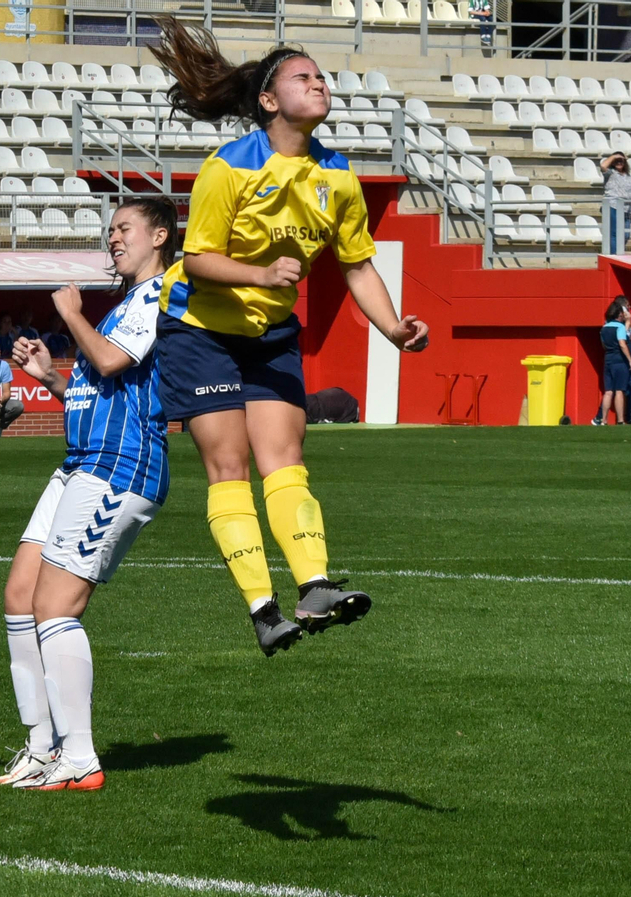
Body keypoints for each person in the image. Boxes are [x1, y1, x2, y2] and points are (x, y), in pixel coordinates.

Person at [150, 18, 429, 655]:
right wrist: (261, 272)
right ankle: (260, 607)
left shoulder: (339, 177)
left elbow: (358, 264)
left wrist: (393, 328)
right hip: (199, 329)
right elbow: (195, 260)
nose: (319, 84)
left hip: (270, 332)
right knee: (230, 466)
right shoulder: (227, 168)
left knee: (286, 460)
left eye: (323, 77)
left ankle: (315, 586)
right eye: (303, 77)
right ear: (270, 101)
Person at [0, 197, 176, 792]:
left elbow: (107, 356)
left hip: (121, 467)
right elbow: (100, 378)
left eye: (124, 228)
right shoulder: (128, 302)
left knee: (55, 606)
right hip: (80, 464)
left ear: (160, 235)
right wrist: (51, 374)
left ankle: (80, 756)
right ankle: (40, 746)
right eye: (111, 230)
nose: (114, 239)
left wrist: (72, 316)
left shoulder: (162, 294)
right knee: (20, 595)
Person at [594, 298, 631, 425]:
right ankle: (620, 420)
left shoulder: (604, 327)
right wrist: (630, 361)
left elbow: (603, 345)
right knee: (619, 390)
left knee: (608, 391)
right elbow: (622, 344)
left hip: (608, 359)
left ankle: (603, 420)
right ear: (619, 314)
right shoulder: (620, 327)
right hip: (619, 360)